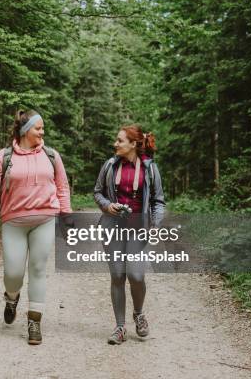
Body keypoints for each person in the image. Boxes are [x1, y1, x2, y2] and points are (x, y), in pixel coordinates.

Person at [0, 109, 72, 345]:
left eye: (42, 128)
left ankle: (34, 321)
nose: (42, 132)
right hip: (13, 221)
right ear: (25, 130)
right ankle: (12, 297)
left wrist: (66, 218)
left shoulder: (52, 155)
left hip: (45, 218)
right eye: (38, 128)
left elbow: (62, 187)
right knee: (13, 274)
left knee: (38, 268)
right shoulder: (4, 156)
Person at [93, 125, 165, 345]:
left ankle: (139, 313)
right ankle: (120, 327)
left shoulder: (150, 169)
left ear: (133, 144)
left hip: (138, 230)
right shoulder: (110, 165)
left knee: (135, 275)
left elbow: (158, 201)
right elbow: (97, 192)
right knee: (117, 276)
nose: (115, 144)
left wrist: (156, 223)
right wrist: (107, 206)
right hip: (112, 228)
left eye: (120, 141)